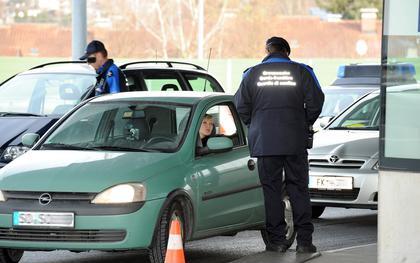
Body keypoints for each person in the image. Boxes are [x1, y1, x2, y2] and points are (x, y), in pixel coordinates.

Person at [234, 36, 324, 253]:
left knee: (271, 192)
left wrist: (257, 124)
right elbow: (316, 101)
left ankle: (276, 241)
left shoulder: (251, 73)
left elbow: (241, 105)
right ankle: (304, 242)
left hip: (265, 142)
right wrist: (303, 123)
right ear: (287, 52)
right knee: (298, 189)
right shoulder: (303, 71)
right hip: (294, 141)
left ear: (267, 50)